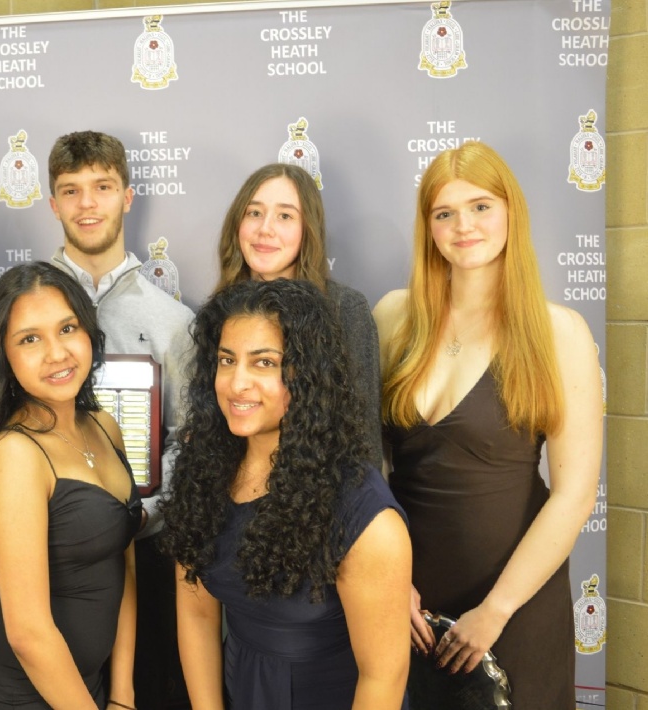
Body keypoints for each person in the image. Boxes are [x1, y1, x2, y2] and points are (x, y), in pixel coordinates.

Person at [374, 141, 602, 708]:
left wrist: (495, 611)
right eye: (444, 213)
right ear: (428, 227)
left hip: (516, 601)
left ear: (510, 212)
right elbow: (368, 467)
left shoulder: (559, 332)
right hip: (408, 602)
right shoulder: (393, 317)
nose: (463, 226)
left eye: (480, 207)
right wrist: (387, 580)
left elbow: (574, 495)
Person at [160, 279, 411, 710]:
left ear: (307, 375)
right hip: (242, 689)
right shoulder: (202, 470)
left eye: (264, 363)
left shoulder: (364, 516)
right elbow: (197, 611)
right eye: (226, 360)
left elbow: (383, 677)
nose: (237, 383)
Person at [46, 130, 194, 708]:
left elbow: (188, 441)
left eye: (103, 187)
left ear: (127, 197)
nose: (87, 204)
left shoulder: (173, 322)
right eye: (71, 190)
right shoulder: (22, 305)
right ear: (53, 203)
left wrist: (144, 514)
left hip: (145, 550)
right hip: (47, 551)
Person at [0, 263, 141, 709]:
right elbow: (27, 632)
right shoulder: (12, 455)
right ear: (3, 355)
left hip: (92, 688)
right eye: (30, 339)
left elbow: (124, 564)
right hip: (25, 696)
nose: (57, 353)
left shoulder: (104, 426)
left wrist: (122, 694)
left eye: (67, 328)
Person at [216, 163, 382, 466]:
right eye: (254, 213)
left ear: (307, 229)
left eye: (285, 216)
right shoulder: (219, 313)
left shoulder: (344, 310)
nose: (265, 228)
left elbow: (364, 442)